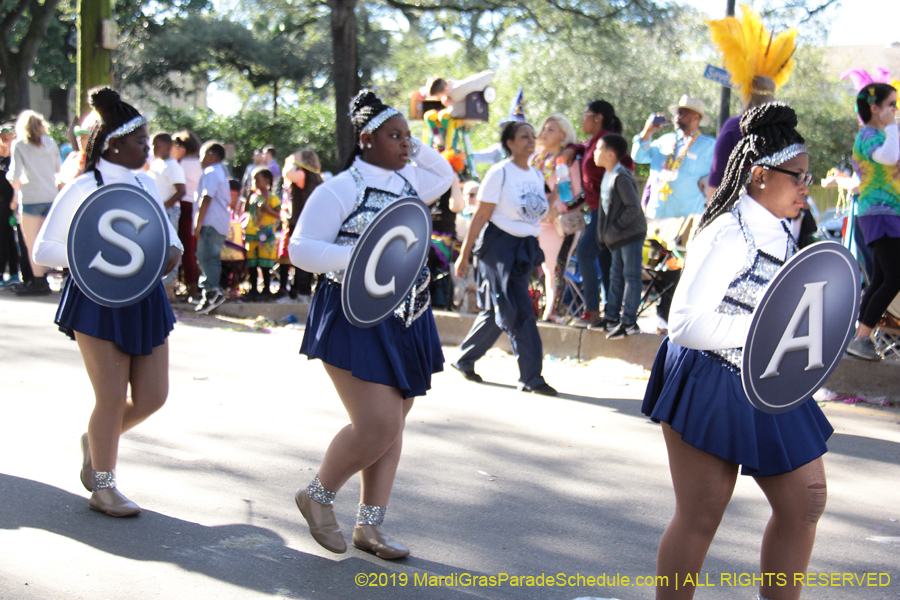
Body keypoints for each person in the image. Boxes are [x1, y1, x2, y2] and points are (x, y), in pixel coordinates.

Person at [641, 102, 831, 600]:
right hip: (708, 376)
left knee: (806, 502)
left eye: (808, 179)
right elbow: (683, 324)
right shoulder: (728, 233)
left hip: (767, 375)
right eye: (799, 178)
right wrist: (765, 330)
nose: (806, 190)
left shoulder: (783, 226)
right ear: (761, 176)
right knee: (701, 515)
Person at [288, 90, 452, 559]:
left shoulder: (409, 182)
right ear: (365, 139)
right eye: (393, 136)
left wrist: (413, 146)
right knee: (377, 424)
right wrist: (362, 259)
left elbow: (444, 174)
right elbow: (301, 249)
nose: (405, 144)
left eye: (407, 136)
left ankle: (370, 527)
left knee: (394, 425)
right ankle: (317, 495)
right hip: (353, 312)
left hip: (408, 313)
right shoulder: (340, 188)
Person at [32, 87, 183, 517]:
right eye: (140, 142)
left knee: (153, 397)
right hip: (97, 300)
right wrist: (98, 255)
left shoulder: (146, 182)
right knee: (112, 397)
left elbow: (166, 241)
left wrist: (170, 253)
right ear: (114, 143)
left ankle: (96, 440)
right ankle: (103, 485)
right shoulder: (82, 186)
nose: (147, 148)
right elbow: (44, 252)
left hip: (145, 299)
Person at [452, 120, 557, 396]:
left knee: (498, 309)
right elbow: (481, 215)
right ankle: (531, 378)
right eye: (524, 137)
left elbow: (536, 211)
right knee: (518, 309)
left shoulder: (535, 175)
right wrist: (464, 256)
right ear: (509, 143)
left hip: (525, 247)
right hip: (499, 248)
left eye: (533, 136)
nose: (531, 140)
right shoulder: (500, 173)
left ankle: (464, 358)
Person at [633, 95, 715, 331]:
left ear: (697, 118)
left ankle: (671, 318)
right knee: (657, 267)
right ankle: (662, 317)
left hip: (688, 219)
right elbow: (638, 156)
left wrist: (709, 182)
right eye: (678, 112)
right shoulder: (663, 140)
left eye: (685, 113)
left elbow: (719, 174)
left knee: (678, 267)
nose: (679, 117)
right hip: (658, 216)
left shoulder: (709, 145)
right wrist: (648, 131)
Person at [563, 100, 634, 328]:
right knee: (605, 263)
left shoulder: (608, 143)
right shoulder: (595, 142)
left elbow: (626, 166)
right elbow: (587, 156)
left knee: (585, 253)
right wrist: (574, 148)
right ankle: (611, 316)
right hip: (597, 211)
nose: (582, 119)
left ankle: (591, 311)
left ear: (598, 117)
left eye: (585, 115)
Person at [845, 83, 900, 360]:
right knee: (894, 277)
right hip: (880, 214)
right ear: (875, 108)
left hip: (888, 214)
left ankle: (860, 338)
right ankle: (861, 338)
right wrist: (892, 126)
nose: (895, 110)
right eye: (891, 104)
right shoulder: (868, 136)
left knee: (881, 278)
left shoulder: (883, 135)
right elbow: (889, 157)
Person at [593, 134, 647, 339]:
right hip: (616, 238)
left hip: (630, 235)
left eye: (598, 149)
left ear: (611, 154)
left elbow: (633, 207)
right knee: (615, 276)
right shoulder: (608, 175)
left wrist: (615, 229)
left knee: (631, 277)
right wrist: (605, 235)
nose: (594, 153)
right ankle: (612, 317)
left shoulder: (621, 177)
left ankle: (629, 321)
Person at [530, 114, 583, 323]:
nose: (544, 133)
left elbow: (575, 193)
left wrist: (557, 209)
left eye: (551, 129)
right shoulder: (536, 159)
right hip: (536, 221)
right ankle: (539, 307)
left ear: (563, 134)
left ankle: (552, 311)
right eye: (543, 128)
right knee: (540, 268)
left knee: (555, 268)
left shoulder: (567, 160)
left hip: (559, 224)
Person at [8, 110, 61, 296]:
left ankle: (39, 281)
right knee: (49, 239)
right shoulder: (52, 143)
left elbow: (15, 173)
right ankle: (52, 274)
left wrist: (11, 180)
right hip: (50, 195)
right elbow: (58, 169)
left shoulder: (19, 145)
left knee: (32, 243)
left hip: (30, 197)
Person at [278, 149, 323, 300]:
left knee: (302, 258)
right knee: (305, 259)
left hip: (301, 224)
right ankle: (300, 290)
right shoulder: (315, 178)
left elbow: (288, 172)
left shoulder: (303, 175)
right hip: (312, 223)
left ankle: (302, 292)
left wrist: (292, 161)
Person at [193, 142, 231, 314]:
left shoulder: (211, 172)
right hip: (218, 222)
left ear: (210, 154)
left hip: (210, 222)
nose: (199, 160)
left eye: (201, 155)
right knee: (211, 257)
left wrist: (198, 222)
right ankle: (212, 291)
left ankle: (210, 293)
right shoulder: (221, 172)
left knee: (206, 257)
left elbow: (206, 198)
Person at [172, 130, 203, 300]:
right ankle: (192, 284)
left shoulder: (179, 164)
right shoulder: (200, 164)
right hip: (197, 207)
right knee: (192, 249)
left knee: (185, 250)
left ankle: (191, 287)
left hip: (183, 206)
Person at [244, 167, 280, 301]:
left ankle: (266, 290)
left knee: (265, 264)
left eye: (257, 180)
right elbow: (246, 209)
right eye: (254, 180)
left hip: (266, 235)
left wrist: (268, 210)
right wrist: (249, 195)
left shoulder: (272, 198)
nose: (255, 182)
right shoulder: (254, 196)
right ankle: (253, 290)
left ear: (267, 181)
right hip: (253, 234)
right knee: (252, 264)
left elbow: (280, 215)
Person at [0, 123, 21, 288]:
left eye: (7, 139)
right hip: (2, 202)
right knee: (6, 239)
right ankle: (12, 272)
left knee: (5, 237)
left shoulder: (15, 157)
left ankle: (11, 272)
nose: (4, 142)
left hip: (11, 203)